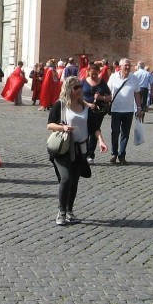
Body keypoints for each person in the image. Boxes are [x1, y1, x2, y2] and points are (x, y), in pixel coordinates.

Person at [47, 76, 108, 226]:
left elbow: (94, 127)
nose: (80, 89)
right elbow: (49, 125)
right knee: (66, 178)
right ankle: (61, 212)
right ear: (68, 89)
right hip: (63, 148)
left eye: (80, 86)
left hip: (81, 150)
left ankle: (69, 211)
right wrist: (63, 127)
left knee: (74, 182)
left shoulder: (85, 107)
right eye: (76, 87)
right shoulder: (61, 105)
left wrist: (101, 140)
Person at [107, 58, 140, 164]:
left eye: (129, 65)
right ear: (120, 66)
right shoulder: (113, 77)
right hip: (116, 110)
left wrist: (139, 107)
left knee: (125, 133)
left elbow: (137, 93)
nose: (127, 67)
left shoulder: (134, 78)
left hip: (129, 110)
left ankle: (122, 155)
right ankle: (114, 153)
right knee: (115, 132)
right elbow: (108, 91)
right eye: (125, 65)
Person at [81, 63, 112, 164]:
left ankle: (90, 155)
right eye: (92, 74)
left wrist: (101, 97)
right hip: (84, 109)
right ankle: (84, 153)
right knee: (85, 131)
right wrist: (87, 104)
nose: (94, 76)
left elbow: (109, 97)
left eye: (96, 74)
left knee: (94, 131)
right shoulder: (83, 82)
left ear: (99, 73)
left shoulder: (102, 83)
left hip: (98, 112)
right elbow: (78, 96)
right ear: (88, 72)